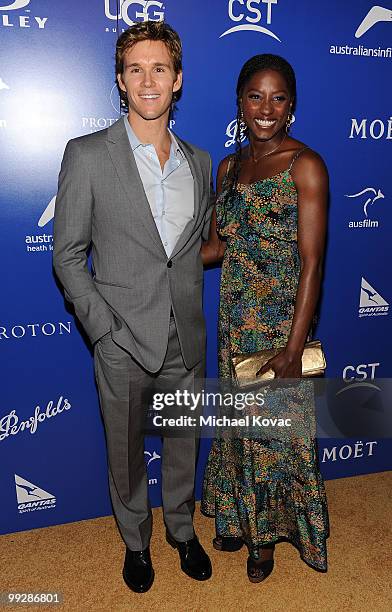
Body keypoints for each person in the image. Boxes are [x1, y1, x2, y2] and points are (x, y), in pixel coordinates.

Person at [53, 21, 213, 593]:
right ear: (121, 82)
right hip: (121, 339)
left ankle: (180, 530)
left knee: (182, 443)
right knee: (123, 453)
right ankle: (136, 543)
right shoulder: (88, 155)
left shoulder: (200, 161)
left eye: (160, 69)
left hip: (184, 336)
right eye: (136, 69)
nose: (148, 80)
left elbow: (190, 251)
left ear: (178, 81)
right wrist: (103, 331)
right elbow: (68, 256)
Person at [201, 54, 329, 582]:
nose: (266, 108)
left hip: (281, 328)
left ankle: (266, 537)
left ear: (292, 106)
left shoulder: (307, 166)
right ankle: (235, 515)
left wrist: (295, 349)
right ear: (240, 103)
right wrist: (155, 255)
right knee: (237, 429)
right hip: (234, 322)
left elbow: (313, 262)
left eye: (278, 98)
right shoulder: (228, 169)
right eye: (256, 96)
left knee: (276, 440)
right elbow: (215, 247)